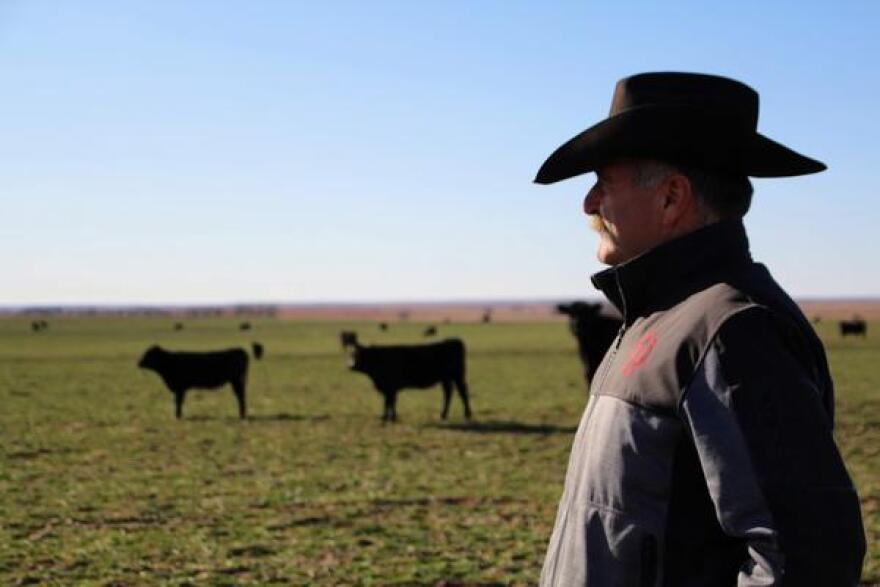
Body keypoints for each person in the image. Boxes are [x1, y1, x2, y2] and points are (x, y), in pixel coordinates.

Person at [534, 72, 866, 586]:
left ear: (671, 198)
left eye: (605, 181)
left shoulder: (732, 330)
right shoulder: (658, 318)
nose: (589, 203)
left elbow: (804, 559)